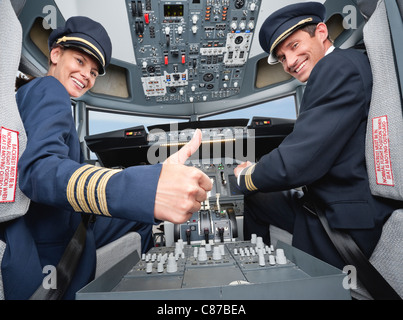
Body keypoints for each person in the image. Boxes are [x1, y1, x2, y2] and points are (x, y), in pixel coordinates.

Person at [1, 16, 212, 300]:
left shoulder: (31, 95)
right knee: (140, 214)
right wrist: (145, 188)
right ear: (55, 54)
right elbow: (39, 170)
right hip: (51, 238)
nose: (86, 75)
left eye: (93, 71)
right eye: (79, 61)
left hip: (57, 221)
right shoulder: (48, 90)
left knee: (137, 219)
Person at [234, 2, 402, 270]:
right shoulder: (349, 64)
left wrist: (246, 177)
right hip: (348, 207)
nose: (289, 62)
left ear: (321, 31)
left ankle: (259, 276)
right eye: (282, 56)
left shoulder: (335, 68)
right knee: (261, 199)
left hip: (346, 224)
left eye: (294, 46)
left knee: (254, 196)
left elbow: (298, 162)